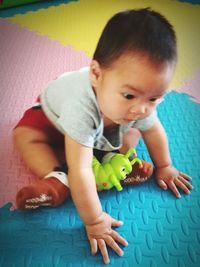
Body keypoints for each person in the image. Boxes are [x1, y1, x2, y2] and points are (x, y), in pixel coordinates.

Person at [13, 8, 193, 264]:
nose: (142, 108)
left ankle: (116, 165)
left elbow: (154, 131)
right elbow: (82, 169)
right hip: (52, 119)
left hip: (106, 127)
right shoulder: (80, 106)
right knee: (24, 135)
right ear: (96, 75)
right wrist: (95, 221)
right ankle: (57, 179)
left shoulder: (138, 101)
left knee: (135, 130)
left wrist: (165, 166)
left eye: (154, 98)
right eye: (130, 95)